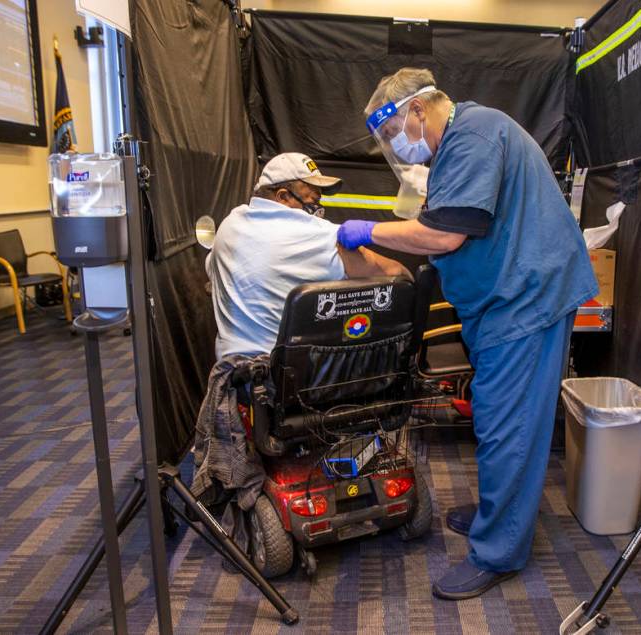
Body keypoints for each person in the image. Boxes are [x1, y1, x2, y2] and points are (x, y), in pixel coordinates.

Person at [337, 68, 598, 600]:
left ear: (416, 110)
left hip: (526, 300)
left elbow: (445, 232)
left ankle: (498, 551)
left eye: (391, 135)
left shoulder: (475, 135)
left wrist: (366, 230)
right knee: (497, 411)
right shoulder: (463, 139)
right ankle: (499, 511)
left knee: (508, 422)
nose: (396, 147)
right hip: (503, 297)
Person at [207, 152, 410, 358]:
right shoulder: (320, 234)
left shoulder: (230, 224)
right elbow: (396, 274)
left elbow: (212, 273)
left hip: (230, 374)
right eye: (312, 200)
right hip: (285, 374)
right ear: (283, 196)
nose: (318, 210)